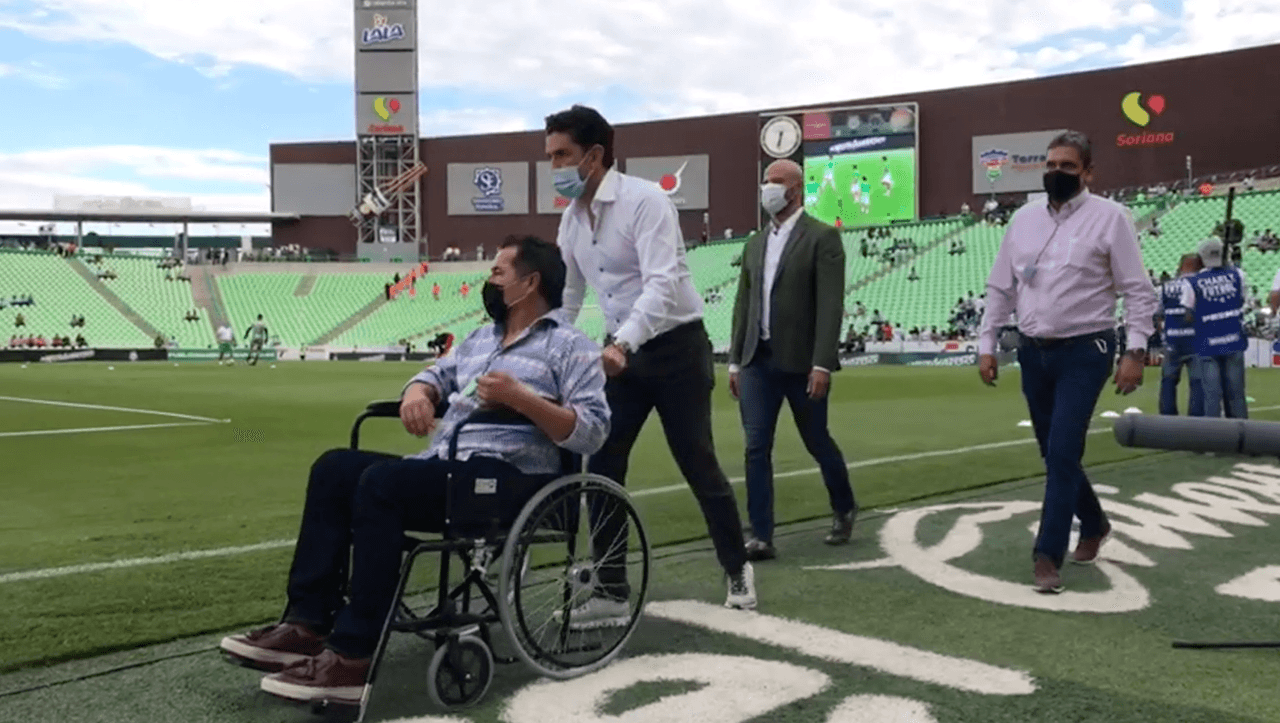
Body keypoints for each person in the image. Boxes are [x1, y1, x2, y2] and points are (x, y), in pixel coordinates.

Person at [218, 235, 609, 702]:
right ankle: (307, 622)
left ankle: (352, 656)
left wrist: (521, 399)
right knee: (333, 469)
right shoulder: (479, 338)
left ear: (529, 284)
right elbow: (434, 375)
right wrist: (417, 394)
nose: (488, 281)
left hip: (513, 479)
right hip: (448, 466)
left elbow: (592, 433)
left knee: (383, 484)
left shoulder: (572, 346)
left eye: (497, 273)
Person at [546, 104, 756, 611]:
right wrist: (548, 349)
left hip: (675, 348)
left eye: (562, 155)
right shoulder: (570, 223)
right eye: (550, 156)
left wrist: (623, 344)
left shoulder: (645, 201)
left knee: (697, 460)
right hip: (619, 354)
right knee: (601, 466)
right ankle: (611, 588)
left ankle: (737, 568)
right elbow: (569, 296)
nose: (554, 167)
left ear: (595, 155)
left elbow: (662, 283)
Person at [977, 130, 1156, 594]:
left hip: (1086, 349)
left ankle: (1047, 554)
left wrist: (1135, 351)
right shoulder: (1023, 219)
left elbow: (1137, 290)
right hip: (1033, 351)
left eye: (1068, 166)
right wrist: (986, 342)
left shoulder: (1111, 218)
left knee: (1061, 451)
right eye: (1051, 164)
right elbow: (1001, 286)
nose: (1056, 173)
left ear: (1088, 172)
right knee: (1053, 451)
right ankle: (1094, 522)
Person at [728, 159, 856, 562]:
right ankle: (760, 534)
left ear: (796, 189)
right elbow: (743, 304)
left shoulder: (822, 237)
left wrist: (822, 364)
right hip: (757, 359)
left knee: (816, 440)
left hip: (801, 362)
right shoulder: (754, 243)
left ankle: (844, 506)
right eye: (765, 181)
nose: (768, 188)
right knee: (755, 446)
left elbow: (830, 305)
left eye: (776, 181)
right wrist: (735, 360)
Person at [1182, 239, 1248, 419]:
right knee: (1236, 394)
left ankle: (1214, 435)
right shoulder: (1238, 275)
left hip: (1207, 344)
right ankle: (1241, 434)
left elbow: (1188, 315)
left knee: (1211, 395)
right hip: (1233, 340)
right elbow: (1241, 299)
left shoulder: (1193, 282)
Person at [1159, 254, 1204, 416]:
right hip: (1196, 339)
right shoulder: (1200, 284)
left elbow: (1158, 312)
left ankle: (1167, 417)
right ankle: (1196, 418)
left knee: (1168, 380)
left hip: (1172, 339)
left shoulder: (1166, 286)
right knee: (1197, 382)